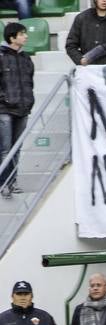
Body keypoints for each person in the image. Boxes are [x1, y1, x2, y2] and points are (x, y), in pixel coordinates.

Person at [0, 22, 34, 199]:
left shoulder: (26, 58)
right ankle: (4, 184)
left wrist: (29, 102)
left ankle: (12, 182)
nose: (26, 36)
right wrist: (4, 99)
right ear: (12, 37)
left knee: (17, 148)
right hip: (4, 109)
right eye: (22, 34)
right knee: (5, 149)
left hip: (23, 109)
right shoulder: (1, 56)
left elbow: (30, 83)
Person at [66, 0, 106, 67]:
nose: (104, 1)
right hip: (88, 70)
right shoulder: (81, 18)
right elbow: (71, 45)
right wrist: (80, 60)